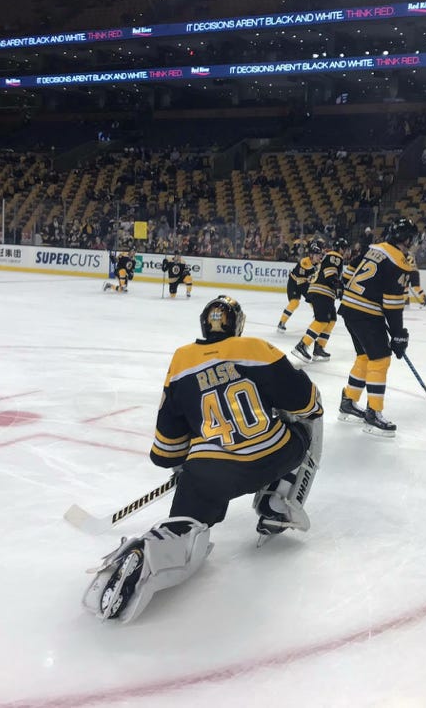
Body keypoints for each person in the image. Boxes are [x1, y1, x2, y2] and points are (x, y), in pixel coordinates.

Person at [82, 295, 323, 623]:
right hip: (271, 455)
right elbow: (306, 402)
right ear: (238, 324)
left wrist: (184, 467)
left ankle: (151, 551)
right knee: (306, 422)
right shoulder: (254, 348)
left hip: (211, 471)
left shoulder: (181, 360)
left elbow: (167, 448)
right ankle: (278, 502)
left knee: (184, 526)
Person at [338, 217, 416, 436]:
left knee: (364, 356)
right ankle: (373, 414)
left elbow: (349, 271)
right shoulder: (400, 260)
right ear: (407, 239)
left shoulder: (375, 248)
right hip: (366, 314)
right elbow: (392, 304)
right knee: (380, 359)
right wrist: (399, 335)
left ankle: (348, 402)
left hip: (349, 309)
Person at [292, 237, 346, 363]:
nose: (348, 252)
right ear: (342, 249)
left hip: (324, 293)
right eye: (347, 249)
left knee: (331, 319)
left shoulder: (330, 256)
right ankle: (302, 345)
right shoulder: (335, 256)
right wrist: (337, 286)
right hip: (322, 292)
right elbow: (330, 274)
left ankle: (319, 347)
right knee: (322, 320)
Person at [277, 241, 321, 332]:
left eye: (319, 255)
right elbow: (302, 281)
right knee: (294, 303)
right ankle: (281, 323)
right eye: (316, 255)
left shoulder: (318, 263)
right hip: (294, 283)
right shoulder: (305, 262)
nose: (318, 257)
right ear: (311, 255)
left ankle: (319, 317)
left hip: (304, 282)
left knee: (314, 299)